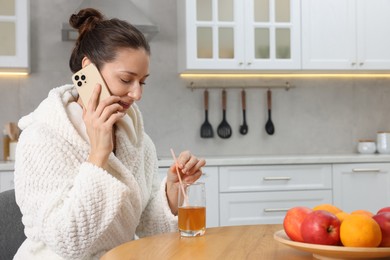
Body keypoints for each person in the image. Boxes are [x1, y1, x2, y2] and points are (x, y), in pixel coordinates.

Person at [13, 8, 206, 260]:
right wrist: (98, 155)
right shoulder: (42, 138)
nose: (137, 94)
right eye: (126, 79)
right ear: (88, 71)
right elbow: (68, 243)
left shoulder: (137, 141)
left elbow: (148, 228)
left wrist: (171, 190)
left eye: (142, 82)